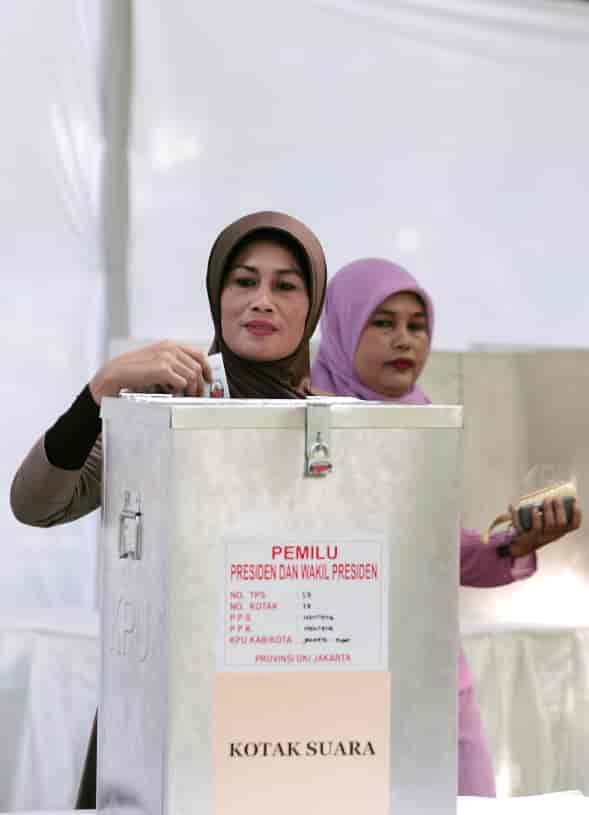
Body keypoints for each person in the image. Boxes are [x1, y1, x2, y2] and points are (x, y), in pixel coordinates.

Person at [10, 210, 327, 805]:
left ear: (312, 306)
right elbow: (35, 505)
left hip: (289, 712)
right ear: (217, 295)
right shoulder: (165, 405)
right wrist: (97, 395)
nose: (262, 300)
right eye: (243, 281)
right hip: (166, 710)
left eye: (286, 285)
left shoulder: (334, 426)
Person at [311, 257, 582, 797]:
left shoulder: (423, 421)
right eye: (382, 322)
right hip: (332, 680)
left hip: (431, 676)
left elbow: (444, 555)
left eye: (418, 325)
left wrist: (518, 542)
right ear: (342, 327)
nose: (405, 340)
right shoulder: (300, 424)